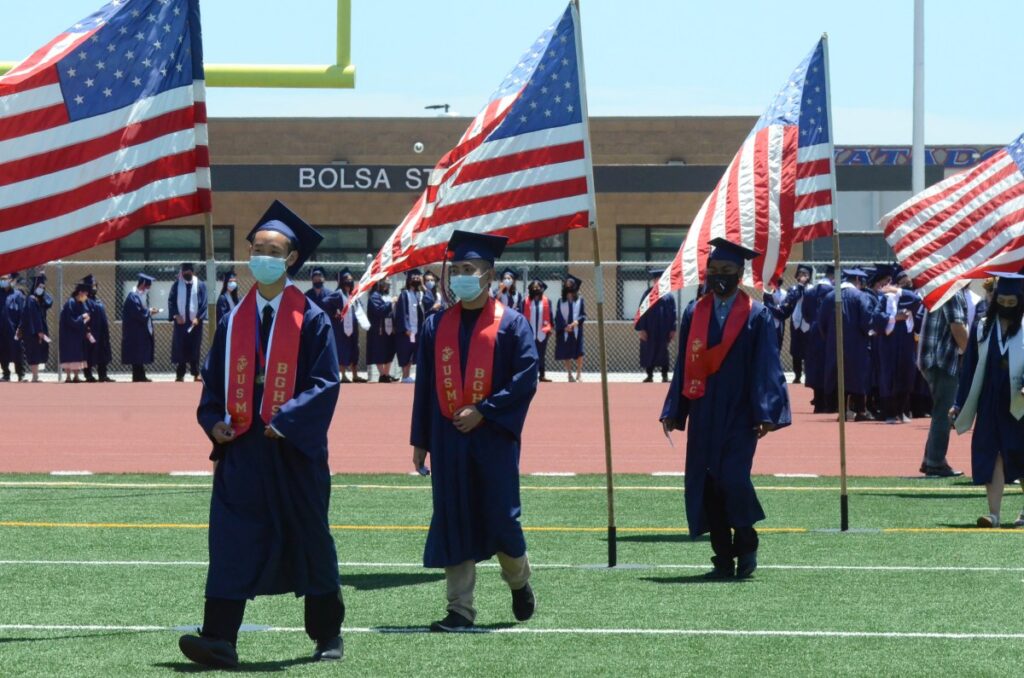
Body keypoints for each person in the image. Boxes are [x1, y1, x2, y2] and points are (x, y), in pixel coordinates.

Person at [179, 200, 344, 668]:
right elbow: (213, 382)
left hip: (292, 449)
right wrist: (214, 421)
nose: (262, 257)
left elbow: (325, 383)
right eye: (257, 249)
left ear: (291, 258)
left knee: (310, 537)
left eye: (273, 251)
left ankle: (327, 634)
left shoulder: (311, 318)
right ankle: (219, 638)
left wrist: (287, 420)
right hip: (243, 449)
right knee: (231, 539)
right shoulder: (234, 318)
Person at [411, 230, 539, 632]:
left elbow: (525, 379)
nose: (462, 277)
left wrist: (484, 411)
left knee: (501, 518)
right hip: (448, 437)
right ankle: (460, 609)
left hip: (493, 437)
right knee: (454, 515)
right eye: (457, 270)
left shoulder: (512, 325)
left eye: (470, 269)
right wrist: (420, 440)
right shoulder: (435, 326)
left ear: (489, 275)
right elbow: (425, 387)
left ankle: (518, 580)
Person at [660, 238, 791, 579]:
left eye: (727, 270)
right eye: (714, 270)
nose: (719, 276)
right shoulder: (694, 312)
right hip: (704, 410)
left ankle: (746, 541)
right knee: (708, 484)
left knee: (733, 479)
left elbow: (767, 365)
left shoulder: (757, 315)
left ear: (739, 273)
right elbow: (684, 365)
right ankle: (722, 558)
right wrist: (675, 409)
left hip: (740, 413)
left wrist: (766, 412)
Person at [952, 273, 1024, 528]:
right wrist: (959, 403)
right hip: (990, 402)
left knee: (1021, 454)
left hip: (1020, 403)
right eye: (1001, 302)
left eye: (1011, 303)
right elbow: (969, 368)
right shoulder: (983, 327)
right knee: (992, 454)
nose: (1006, 306)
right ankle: (994, 515)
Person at [817, 268, 885, 421]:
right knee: (858, 376)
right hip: (857, 345)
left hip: (835, 344)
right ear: (858, 280)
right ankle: (860, 411)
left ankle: (842, 411)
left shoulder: (830, 296)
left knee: (839, 376)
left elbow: (821, 322)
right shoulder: (860, 296)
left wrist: (829, 338)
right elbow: (867, 321)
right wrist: (870, 333)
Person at [918, 287, 969, 477]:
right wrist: (973, 355)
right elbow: (957, 327)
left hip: (935, 359)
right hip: (941, 360)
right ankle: (935, 462)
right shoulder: (953, 290)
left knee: (941, 410)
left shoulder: (945, 287)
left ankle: (931, 459)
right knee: (944, 412)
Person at [876, 267, 922, 423]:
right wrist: (894, 318)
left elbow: (917, 300)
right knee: (889, 377)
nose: (906, 284)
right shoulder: (885, 298)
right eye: (902, 282)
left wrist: (899, 290)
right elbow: (876, 317)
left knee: (906, 375)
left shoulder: (908, 298)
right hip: (889, 343)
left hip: (906, 344)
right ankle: (889, 413)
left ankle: (902, 411)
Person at [324, 268, 367, 383]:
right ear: (342, 282)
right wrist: (334, 312)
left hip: (353, 327)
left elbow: (359, 307)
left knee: (354, 350)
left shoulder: (353, 295)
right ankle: (342, 375)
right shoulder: (338, 294)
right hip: (341, 328)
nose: (349, 282)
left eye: (351, 280)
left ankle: (355, 375)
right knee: (343, 350)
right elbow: (325, 302)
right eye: (347, 280)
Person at [635, 269, 677, 383]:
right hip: (649, 329)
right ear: (654, 281)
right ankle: (649, 375)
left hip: (664, 329)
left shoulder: (668, 296)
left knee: (663, 351)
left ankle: (664, 375)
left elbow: (673, 313)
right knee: (649, 351)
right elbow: (641, 312)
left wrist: (673, 329)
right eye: (657, 280)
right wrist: (641, 329)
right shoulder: (647, 295)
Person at [803, 265, 835, 411]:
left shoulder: (809, 292)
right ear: (832, 277)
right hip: (828, 332)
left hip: (813, 331)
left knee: (815, 365)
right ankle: (829, 402)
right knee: (828, 364)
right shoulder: (833, 293)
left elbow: (805, 314)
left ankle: (818, 400)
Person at [169, 262, 207, 382]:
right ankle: (180, 374)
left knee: (194, 347)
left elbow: (204, 303)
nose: (186, 274)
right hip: (181, 323)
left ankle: (196, 373)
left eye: (188, 272)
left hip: (195, 323)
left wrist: (198, 318)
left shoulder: (200, 284)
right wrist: (176, 315)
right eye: (184, 272)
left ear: (192, 272)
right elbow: (171, 301)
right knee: (181, 347)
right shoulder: (177, 285)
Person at [122, 273, 159, 383]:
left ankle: (140, 375)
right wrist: (149, 311)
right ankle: (138, 376)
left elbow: (142, 310)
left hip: (139, 329)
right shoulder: (133, 296)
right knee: (136, 353)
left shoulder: (140, 296)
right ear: (142, 284)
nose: (148, 289)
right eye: (147, 286)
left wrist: (149, 311)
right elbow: (138, 312)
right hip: (134, 330)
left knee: (139, 353)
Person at [396, 269, 428, 383]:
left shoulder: (420, 294)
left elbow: (430, 301)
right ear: (408, 281)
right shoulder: (404, 294)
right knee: (406, 352)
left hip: (418, 330)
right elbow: (401, 312)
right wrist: (406, 328)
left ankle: (409, 376)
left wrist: (423, 286)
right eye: (413, 278)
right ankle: (405, 376)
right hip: (408, 331)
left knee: (416, 353)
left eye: (418, 278)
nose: (416, 280)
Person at [80, 275, 114, 383]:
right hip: (91, 331)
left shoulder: (97, 300)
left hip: (101, 332)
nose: (94, 288)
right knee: (89, 353)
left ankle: (103, 375)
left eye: (95, 285)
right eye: (92, 286)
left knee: (102, 353)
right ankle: (88, 375)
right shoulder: (84, 300)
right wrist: (87, 330)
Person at [20, 274, 53, 383]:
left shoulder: (40, 299)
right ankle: (35, 376)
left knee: (38, 352)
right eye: (39, 287)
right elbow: (33, 317)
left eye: (43, 287)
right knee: (34, 352)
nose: (41, 289)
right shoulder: (31, 300)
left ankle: (36, 376)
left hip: (39, 330)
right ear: (34, 287)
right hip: (33, 331)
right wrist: (39, 331)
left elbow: (50, 302)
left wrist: (43, 292)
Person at [785, 264, 814, 384]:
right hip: (796, 322)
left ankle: (809, 375)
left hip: (808, 323)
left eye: (805, 274)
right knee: (796, 350)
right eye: (800, 274)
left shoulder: (813, 289)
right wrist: (800, 286)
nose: (802, 276)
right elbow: (792, 299)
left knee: (808, 350)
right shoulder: (793, 289)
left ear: (809, 277)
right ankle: (797, 375)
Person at [58, 283, 92, 383]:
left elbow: (85, 316)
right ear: (80, 293)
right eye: (85, 294)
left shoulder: (81, 303)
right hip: (68, 334)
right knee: (69, 354)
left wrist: (86, 321)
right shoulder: (70, 303)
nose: (86, 296)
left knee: (78, 354)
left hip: (78, 334)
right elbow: (71, 320)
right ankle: (68, 376)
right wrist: (82, 317)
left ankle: (76, 376)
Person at [554, 274, 585, 382]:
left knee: (579, 352)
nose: (568, 286)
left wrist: (577, 322)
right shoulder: (561, 301)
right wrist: (564, 327)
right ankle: (569, 374)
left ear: (575, 286)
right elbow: (558, 316)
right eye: (567, 284)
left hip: (576, 330)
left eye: (570, 284)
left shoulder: (580, 300)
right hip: (566, 330)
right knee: (566, 352)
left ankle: (579, 374)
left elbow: (583, 315)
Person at [366, 280, 397, 382]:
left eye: (388, 284)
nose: (387, 286)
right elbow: (379, 310)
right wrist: (391, 302)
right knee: (379, 351)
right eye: (385, 284)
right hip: (378, 329)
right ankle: (382, 374)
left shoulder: (386, 296)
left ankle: (386, 374)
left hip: (389, 327)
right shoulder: (374, 296)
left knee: (390, 350)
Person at [524, 279, 553, 383]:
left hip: (542, 332)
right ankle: (531, 375)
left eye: (538, 287)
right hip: (529, 332)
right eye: (533, 287)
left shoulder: (546, 301)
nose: (536, 289)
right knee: (530, 354)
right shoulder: (525, 301)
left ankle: (542, 375)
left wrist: (550, 328)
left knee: (541, 354)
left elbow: (550, 315)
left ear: (542, 289)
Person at [0, 272, 26, 382]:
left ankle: (20, 374)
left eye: (5, 279)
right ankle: (6, 373)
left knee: (17, 351)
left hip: (14, 329)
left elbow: (23, 312)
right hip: (1, 329)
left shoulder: (18, 295)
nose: (3, 281)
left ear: (10, 280)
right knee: (2, 351)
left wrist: (20, 327)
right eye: (1, 279)